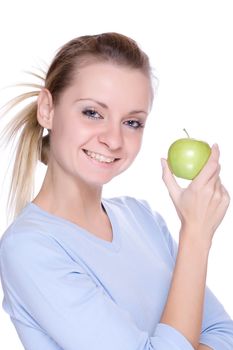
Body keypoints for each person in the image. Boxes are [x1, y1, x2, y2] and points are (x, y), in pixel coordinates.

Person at [0, 32, 232, 350]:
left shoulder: (143, 219)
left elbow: (225, 334)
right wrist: (196, 235)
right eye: (92, 113)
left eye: (132, 122)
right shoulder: (30, 248)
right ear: (47, 110)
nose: (114, 140)